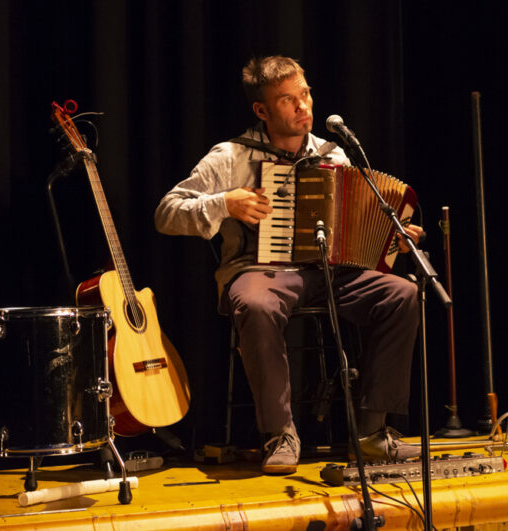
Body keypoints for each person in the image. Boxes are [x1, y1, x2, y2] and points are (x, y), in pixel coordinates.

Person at [155, 55, 423, 475]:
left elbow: (359, 228)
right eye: (287, 100)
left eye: (305, 94)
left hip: (331, 271)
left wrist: (395, 238)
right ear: (261, 110)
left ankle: (370, 433)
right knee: (257, 305)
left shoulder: (334, 156)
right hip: (260, 271)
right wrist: (225, 202)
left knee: (403, 293)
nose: (303, 107)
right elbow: (166, 213)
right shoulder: (230, 157)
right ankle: (279, 433)